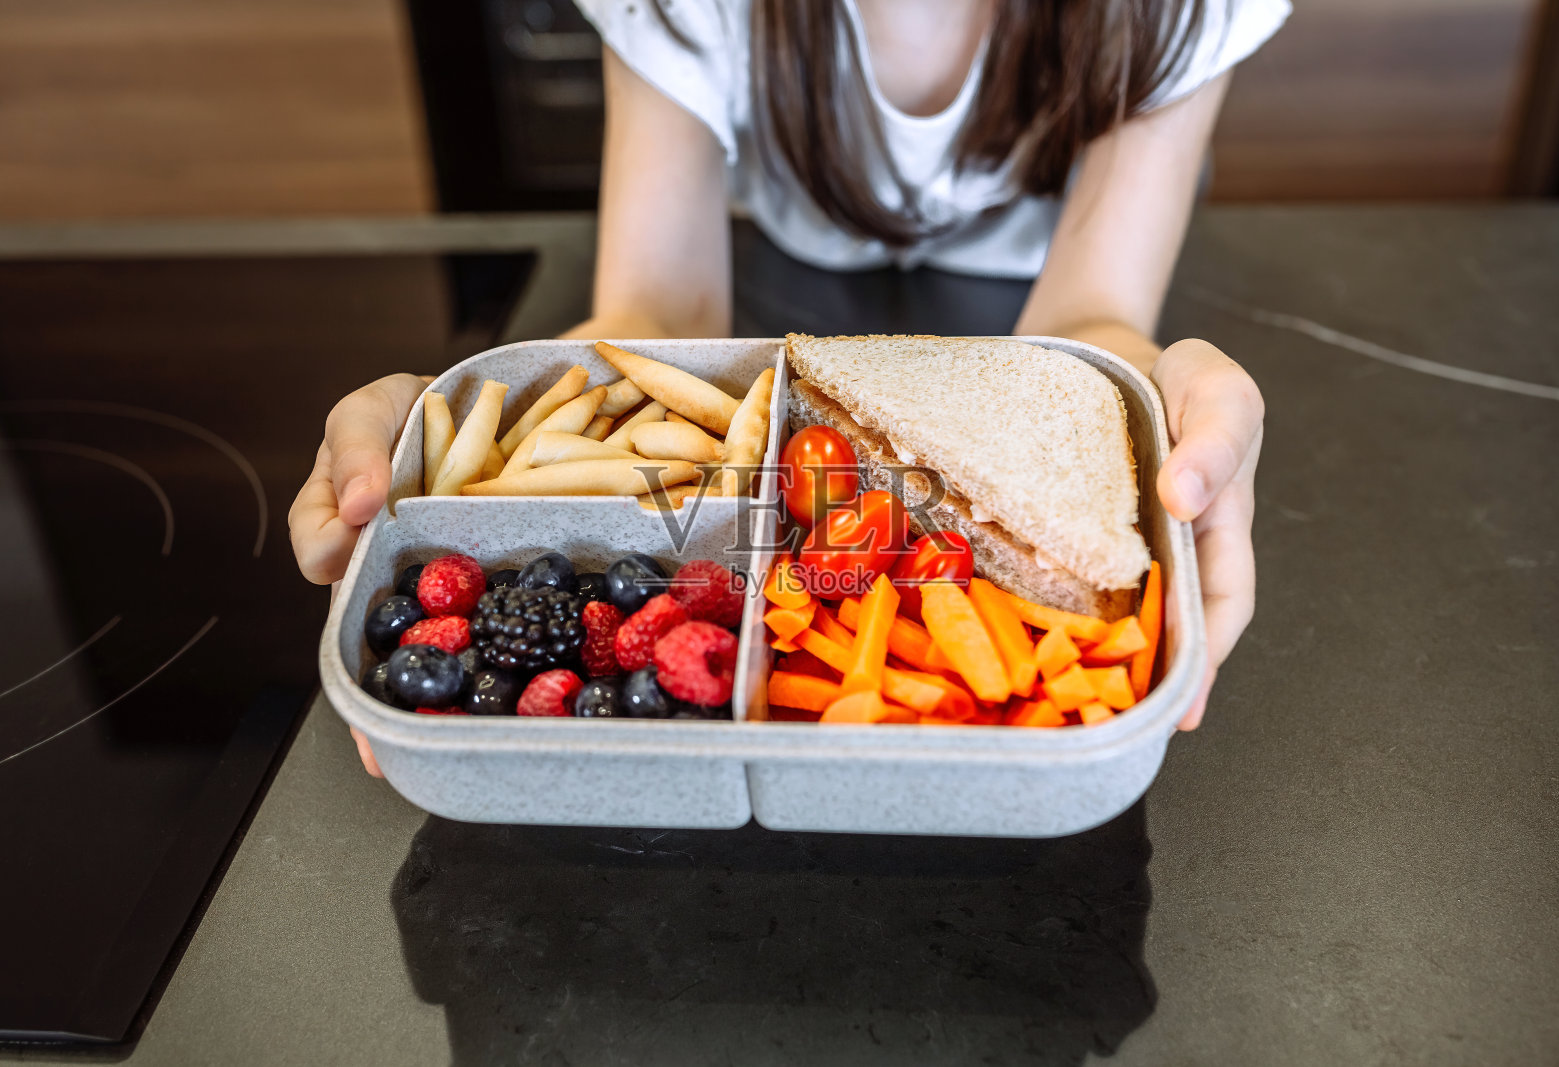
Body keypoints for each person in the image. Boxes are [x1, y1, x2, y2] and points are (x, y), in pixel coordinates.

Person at [291, 0, 1284, 774]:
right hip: (777, 266)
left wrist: (1154, 395)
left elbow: (1085, 330)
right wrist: (448, 417)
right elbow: (661, 317)